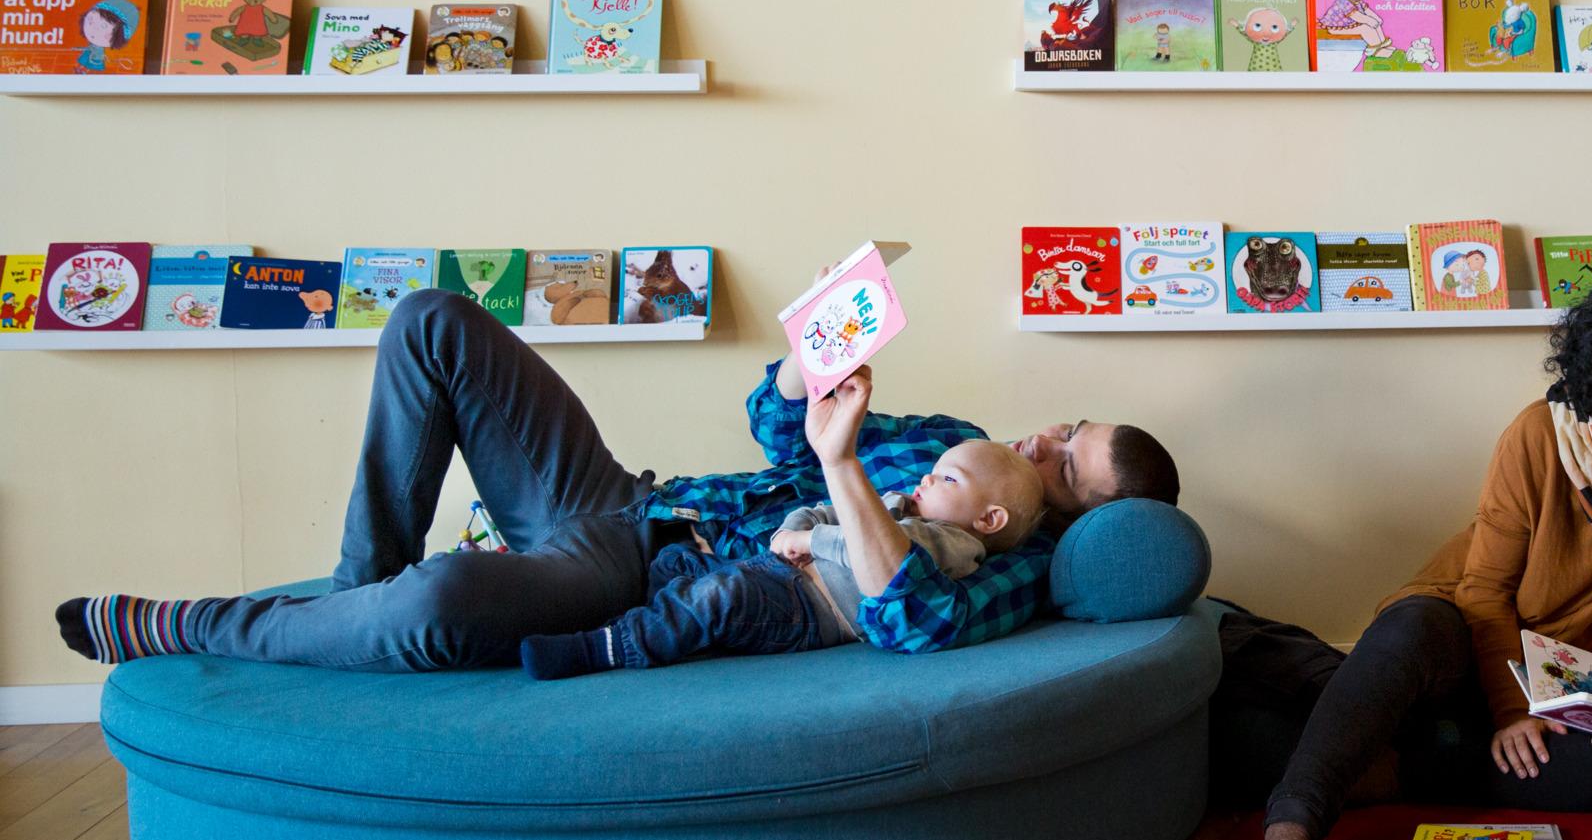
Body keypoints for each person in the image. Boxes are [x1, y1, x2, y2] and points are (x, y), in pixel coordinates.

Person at [56, 282, 1179, 672]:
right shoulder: (960, 437)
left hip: (636, 576)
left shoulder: (1006, 566)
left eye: (1063, 467)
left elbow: (911, 626)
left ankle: (199, 626)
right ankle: (361, 581)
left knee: (446, 607)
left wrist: (840, 476)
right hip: (623, 492)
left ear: (1075, 518)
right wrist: (799, 379)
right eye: (1063, 427)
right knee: (431, 323)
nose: (1039, 444)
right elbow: (774, 436)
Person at [1233, 268, 1592, 840]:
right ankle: (1294, 826)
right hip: (1463, 629)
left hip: (1565, 671)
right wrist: (1512, 709)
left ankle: (1396, 769)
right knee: (1414, 628)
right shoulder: (1541, 433)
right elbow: (1482, 591)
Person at [517, 424, 1046, 679]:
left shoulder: (955, 542)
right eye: (934, 470)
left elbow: (869, 551)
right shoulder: (900, 503)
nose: (927, 478)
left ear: (988, 519)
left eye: (947, 478)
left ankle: (608, 647)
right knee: (676, 566)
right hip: (776, 567)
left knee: (723, 597)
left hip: (808, 611)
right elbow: (826, 510)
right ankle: (673, 622)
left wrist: (808, 540)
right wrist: (792, 528)